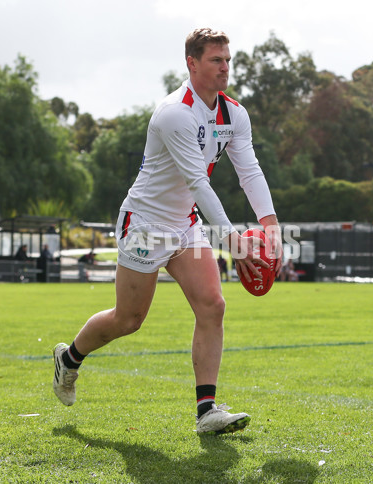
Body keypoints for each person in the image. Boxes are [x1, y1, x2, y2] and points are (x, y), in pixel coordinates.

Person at [53, 28, 282, 435]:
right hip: (145, 224)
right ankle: (69, 358)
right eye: (215, 60)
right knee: (128, 319)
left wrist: (271, 225)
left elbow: (249, 171)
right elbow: (198, 181)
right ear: (192, 63)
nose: (225, 67)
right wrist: (232, 240)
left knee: (213, 305)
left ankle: (206, 410)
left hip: (186, 224)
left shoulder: (235, 114)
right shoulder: (175, 113)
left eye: (228, 59)